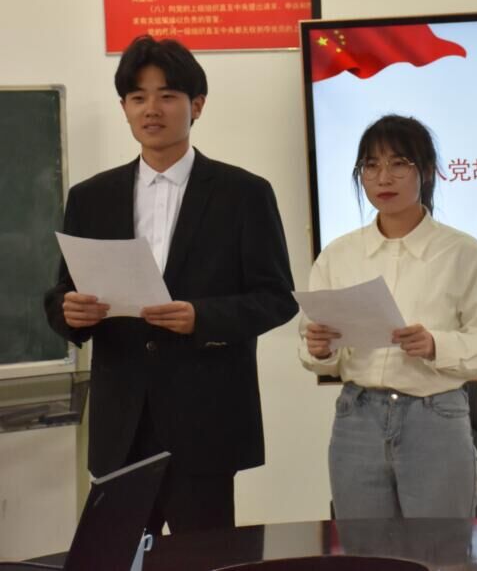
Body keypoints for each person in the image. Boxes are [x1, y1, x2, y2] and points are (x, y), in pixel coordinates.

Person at [44, 35, 298, 533]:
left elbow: (276, 298)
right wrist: (69, 312)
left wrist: (202, 317)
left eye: (167, 96)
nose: (151, 109)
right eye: (137, 97)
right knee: (120, 558)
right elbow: (62, 293)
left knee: (204, 559)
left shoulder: (243, 193)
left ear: (196, 105)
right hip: (121, 426)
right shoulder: (91, 197)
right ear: (124, 107)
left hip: (205, 422)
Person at [298, 115, 477, 519]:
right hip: (357, 417)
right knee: (365, 548)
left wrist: (436, 345)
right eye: (371, 165)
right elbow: (312, 349)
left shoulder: (463, 253)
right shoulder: (338, 255)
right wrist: (320, 348)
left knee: (440, 547)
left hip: (434, 415)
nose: (384, 178)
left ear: (427, 171)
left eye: (399, 164)